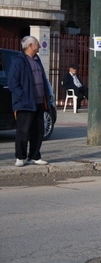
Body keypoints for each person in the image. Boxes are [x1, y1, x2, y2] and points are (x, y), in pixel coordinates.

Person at [8, 36, 52, 167]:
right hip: (25, 103)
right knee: (23, 131)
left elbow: (42, 80)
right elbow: (12, 83)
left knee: (38, 131)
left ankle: (34, 155)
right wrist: (23, 96)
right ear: (30, 46)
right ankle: (20, 157)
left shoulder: (37, 60)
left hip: (39, 102)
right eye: (37, 43)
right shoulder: (19, 61)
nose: (39, 45)